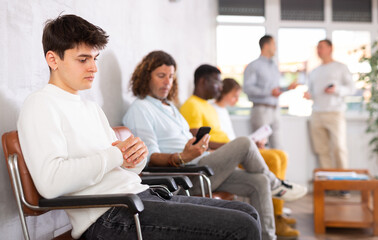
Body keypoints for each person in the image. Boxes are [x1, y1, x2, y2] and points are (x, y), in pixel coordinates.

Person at [17, 14, 262, 240]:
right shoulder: (40, 105)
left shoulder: (90, 107)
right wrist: (115, 155)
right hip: (109, 217)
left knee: (247, 212)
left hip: (139, 197)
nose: (93, 68)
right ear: (53, 59)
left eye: (94, 58)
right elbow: (50, 183)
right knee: (243, 226)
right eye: (83, 59)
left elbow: (120, 167)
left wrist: (135, 160)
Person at [124, 54, 306, 240]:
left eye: (171, 76)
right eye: (161, 75)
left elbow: (187, 142)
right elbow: (149, 157)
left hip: (202, 167)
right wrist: (182, 157)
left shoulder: (169, 106)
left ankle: (268, 236)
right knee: (244, 142)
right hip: (185, 176)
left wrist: (202, 149)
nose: (167, 82)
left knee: (260, 182)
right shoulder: (140, 109)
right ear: (146, 76)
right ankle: (279, 187)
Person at [211, 78, 300, 239]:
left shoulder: (223, 111)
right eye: (234, 96)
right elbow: (217, 143)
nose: (237, 100)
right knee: (272, 159)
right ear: (223, 92)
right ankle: (278, 193)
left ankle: (277, 212)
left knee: (280, 155)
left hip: (233, 149)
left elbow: (230, 139)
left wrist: (252, 144)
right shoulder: (212, 109)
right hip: (224, 156)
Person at [304, 39, 355, 171]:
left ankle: (344, 185)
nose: (319, 50)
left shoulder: (341, 67)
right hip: (317, 113)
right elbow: (312, 92)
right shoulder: (314, 71)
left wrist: (336, 89)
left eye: (321, 47)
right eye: (317, 48)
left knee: (339, 147)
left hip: (335, 113)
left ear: (330, 48)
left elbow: (351, 89)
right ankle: (328, 183)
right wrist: (309, 95)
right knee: (321, 150)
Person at [243, 35, 296, 149]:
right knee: (260, 146)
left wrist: (287, 88)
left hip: (275, 109)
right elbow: (247, 88)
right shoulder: (253, 66)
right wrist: (268, 92)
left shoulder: (273, 66)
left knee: (278, 146)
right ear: (266, 46)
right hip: (261, 110)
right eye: (274, 45)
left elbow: (274, 89)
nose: (275, 48)